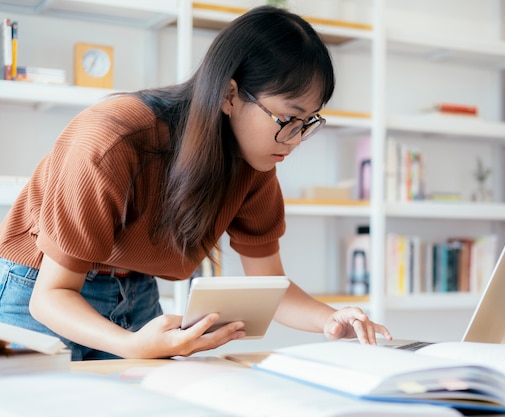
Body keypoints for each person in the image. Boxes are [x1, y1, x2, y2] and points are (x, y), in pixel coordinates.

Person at [0, 6, 392, 361]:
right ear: (229, 94)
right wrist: (131, 345)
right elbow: (50, 297)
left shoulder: (255, 164)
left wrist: (333, 319)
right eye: (287, 118)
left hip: (135, 291)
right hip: (38, 288)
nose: (295, 139)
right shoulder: (111, 140)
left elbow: (270, 284)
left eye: (308, 122)